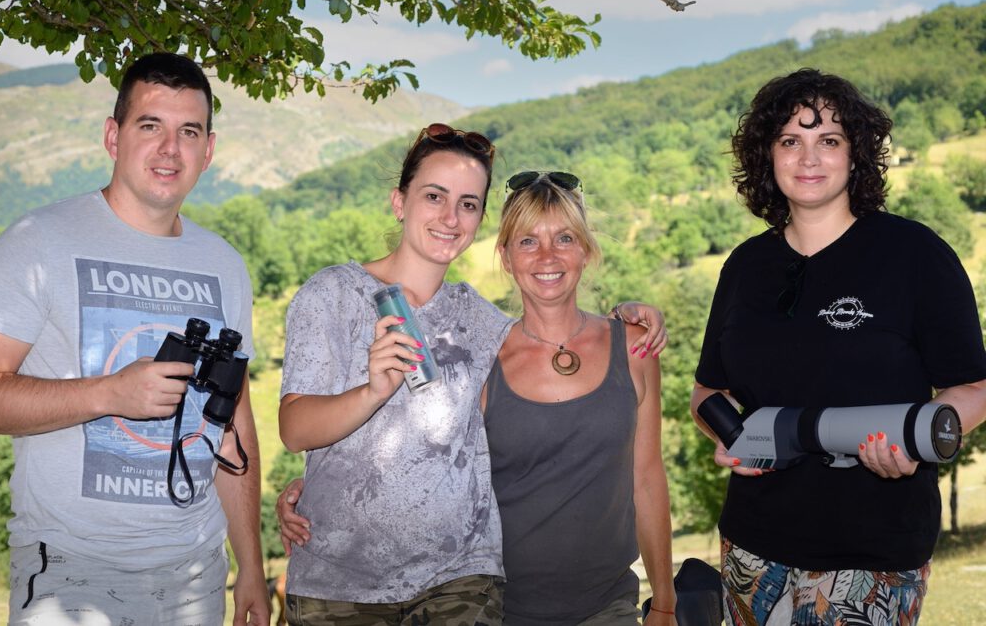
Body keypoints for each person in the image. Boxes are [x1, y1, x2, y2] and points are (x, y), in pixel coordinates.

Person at [276, 124, 667, 625]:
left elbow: (552, 332)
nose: (449, 216)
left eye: (467, 203)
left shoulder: (477, 319)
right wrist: (332, 457)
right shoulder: (332, 294)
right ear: (400, 202)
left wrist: (628, 314)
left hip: (458, 581)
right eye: (434, 196)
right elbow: (295, 429)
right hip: (339, 582)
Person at [0, 52, 269, 625]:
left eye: (189, 132)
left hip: (195, 576)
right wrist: (107, 394)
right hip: (70, 570)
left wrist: (249, 564)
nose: (169, 148)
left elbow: (234, 423)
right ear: (113, 135)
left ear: (209, 149)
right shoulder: (37, 241)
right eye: (150, 125)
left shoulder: (225, 265)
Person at [690, 68, 986, 625]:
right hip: (752, 546)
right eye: (790, 141)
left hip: (871, 551)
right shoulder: (745, 266)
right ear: (767, 156)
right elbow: (708, 388)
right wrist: (730, 439)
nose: (809, 158)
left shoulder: (913, 255)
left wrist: (919, 441)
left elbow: (974, 387)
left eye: (828, 140)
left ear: (856, 155)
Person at [483, 170, 677, 625]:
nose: (547, 256)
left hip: (607, 606)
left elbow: (647, 478)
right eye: (528, 241)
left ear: (586, 251)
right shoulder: (481, 363)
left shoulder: (634, 348)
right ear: (506, 257)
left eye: (564, 238)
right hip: (497, 611)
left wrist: (664, 602)